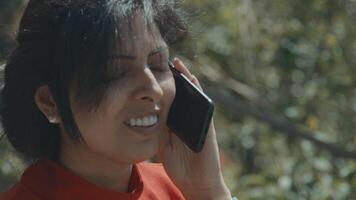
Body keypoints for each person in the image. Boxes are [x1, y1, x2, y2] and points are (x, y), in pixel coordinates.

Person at [0, 0, 233, 199]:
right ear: (50, 102)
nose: (153, 89)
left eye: (157, 64)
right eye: (116, 72)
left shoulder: (179, 190)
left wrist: (210, 192)